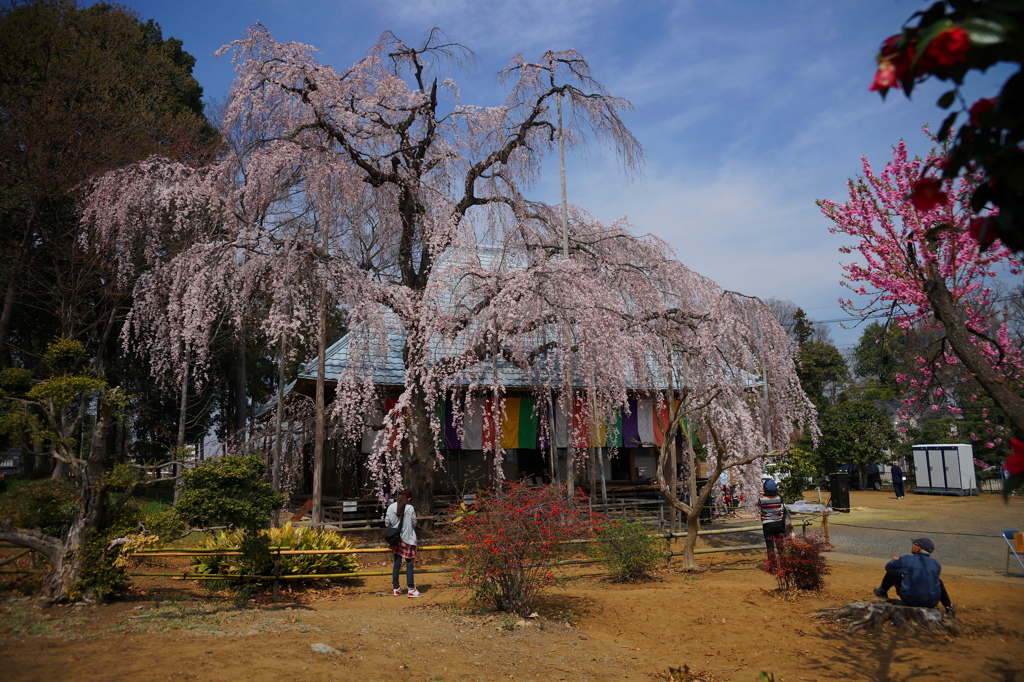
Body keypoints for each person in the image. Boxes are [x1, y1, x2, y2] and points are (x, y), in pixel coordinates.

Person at [873, 537, 954, 617]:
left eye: (914, 544)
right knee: (938, 581)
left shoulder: (907, 559)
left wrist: (896, 561)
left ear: (918, 548)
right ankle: (948, 607)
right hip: (932, 602)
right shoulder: (936, 564)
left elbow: (889, 567)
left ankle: (882, 591)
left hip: (910, 600)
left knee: (893, 572)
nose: (912, 545)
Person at [386, 489, 423, 598]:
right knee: (409, 564)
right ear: (409, 499)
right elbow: (414, 523)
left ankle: (396, 588)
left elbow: (387, 522)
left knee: (397, 563)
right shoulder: (410, 508)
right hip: (408, 539)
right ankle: (411, 589)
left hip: (396, 540)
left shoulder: (391, 507)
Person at [758, 479, 786, 560]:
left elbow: (758, 503)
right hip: (779, 523)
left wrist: (761, 492)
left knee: (770, 546)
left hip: (767, 524)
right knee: (780, 545)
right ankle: (784, 563)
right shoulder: (779, 498)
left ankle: (772, 567)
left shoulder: (762, 499)